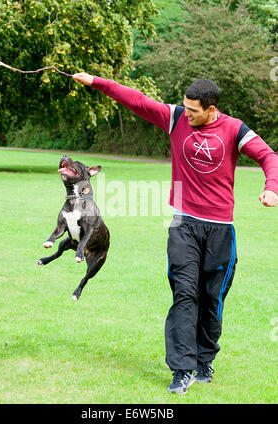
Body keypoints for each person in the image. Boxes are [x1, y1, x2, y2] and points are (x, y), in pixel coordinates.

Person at [72, 72, 278, 394]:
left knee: (211, 298)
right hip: (184, 224)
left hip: (220, 230)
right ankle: (182, 370)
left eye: (194, 110)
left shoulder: (234, 129)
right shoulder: (176, 118)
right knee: (185, 295)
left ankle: (205, 360)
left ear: (211, 109)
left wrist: (272, 188)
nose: (187, 114)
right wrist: (97, 82)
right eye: (185, 108)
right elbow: (136, 100)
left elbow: (269, 156)